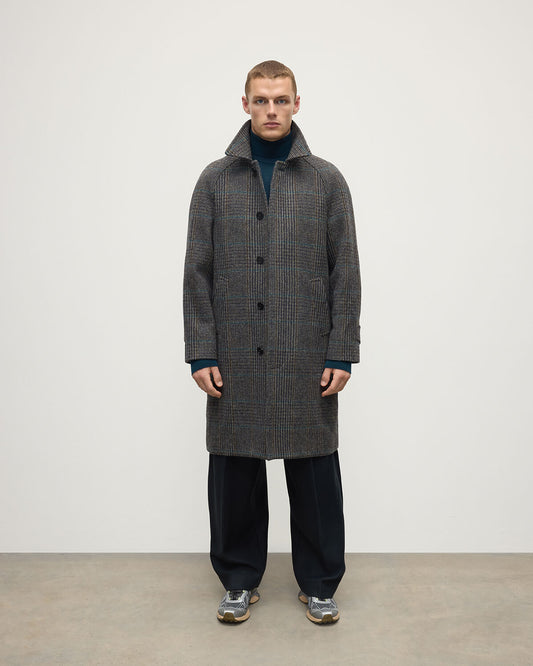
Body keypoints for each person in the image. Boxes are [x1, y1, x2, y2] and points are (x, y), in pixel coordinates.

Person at [182, 60, 361, 624]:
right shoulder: (215, 180)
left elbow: (345, 271)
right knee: (234, 471)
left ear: (297, 103)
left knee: (314, 473)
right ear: (245, 104)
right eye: (261, 100)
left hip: (305, 351)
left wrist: (341, 349)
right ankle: (238, 580)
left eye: (281, 100)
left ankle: (320, 583)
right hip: (234, 353)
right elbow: (197, 272)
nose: (271, 110)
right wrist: (201, 350)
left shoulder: (326, 181)